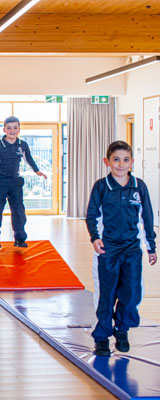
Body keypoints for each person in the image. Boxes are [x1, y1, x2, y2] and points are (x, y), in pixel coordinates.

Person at [86, 141, 156, 356]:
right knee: (106, 295)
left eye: (125, 160)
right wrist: (95, 238)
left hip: (132, 250)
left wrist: (151, 246)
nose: (120, 164)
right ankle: (102, 337)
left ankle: (122, 329)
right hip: (107, 250)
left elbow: (147, 217)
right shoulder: (101, 186)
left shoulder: (139, 186)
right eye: (116, 159)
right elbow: (92, 215)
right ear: (107, 161)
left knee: (132, 293)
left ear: (132, 162)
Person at [0, 116, 47, 248]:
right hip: (0, 183)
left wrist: (37, 171)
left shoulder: (22, 144)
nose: (12, 131)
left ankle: (20, 238)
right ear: (4, 129)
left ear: (19, 129)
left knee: (19, 211)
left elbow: (28, 159)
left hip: (15, 182)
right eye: (9, 128)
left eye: (15, 128)